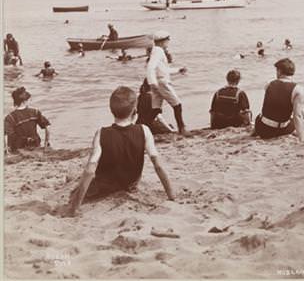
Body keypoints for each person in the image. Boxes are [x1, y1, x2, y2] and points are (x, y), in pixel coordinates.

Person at [66, 86, 175, 215]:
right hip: (130, 183)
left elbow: (90, 170)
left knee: (74, 184)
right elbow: (158, 166)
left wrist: (75, 207)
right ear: (135, 109)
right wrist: (171, 196)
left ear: (111, 110)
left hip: (105, 185)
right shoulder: (144, 130)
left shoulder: (101, 133)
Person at [146, 31, 190, 136]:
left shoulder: (156, 50)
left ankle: (144, 128)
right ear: (162, 41)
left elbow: (163, 69)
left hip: (158, 81)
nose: (168, 42)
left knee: (156, 109)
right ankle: (182, 128)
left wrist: (178, 70)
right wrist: (152, 82)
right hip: (161, 82)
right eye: (167, 39)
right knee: (177, 104)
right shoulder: (159, 51)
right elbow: (150, 67)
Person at [254, 58, 304, 141]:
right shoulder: (298, 89)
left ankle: (254, 132)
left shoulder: (269, 84)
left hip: (263, 130)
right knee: (294, 118)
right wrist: (302, 138)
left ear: (279, 71)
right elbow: (298, 116)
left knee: (261, 116)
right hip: (282, 130)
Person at [4, 87, 51, 153]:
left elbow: (6, 135)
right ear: (25, 101)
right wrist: (46, 142)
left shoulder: (10, 117)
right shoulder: (35, 112)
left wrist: (5, 150)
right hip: (35, 145)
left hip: (19, 149)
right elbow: (47, 126)